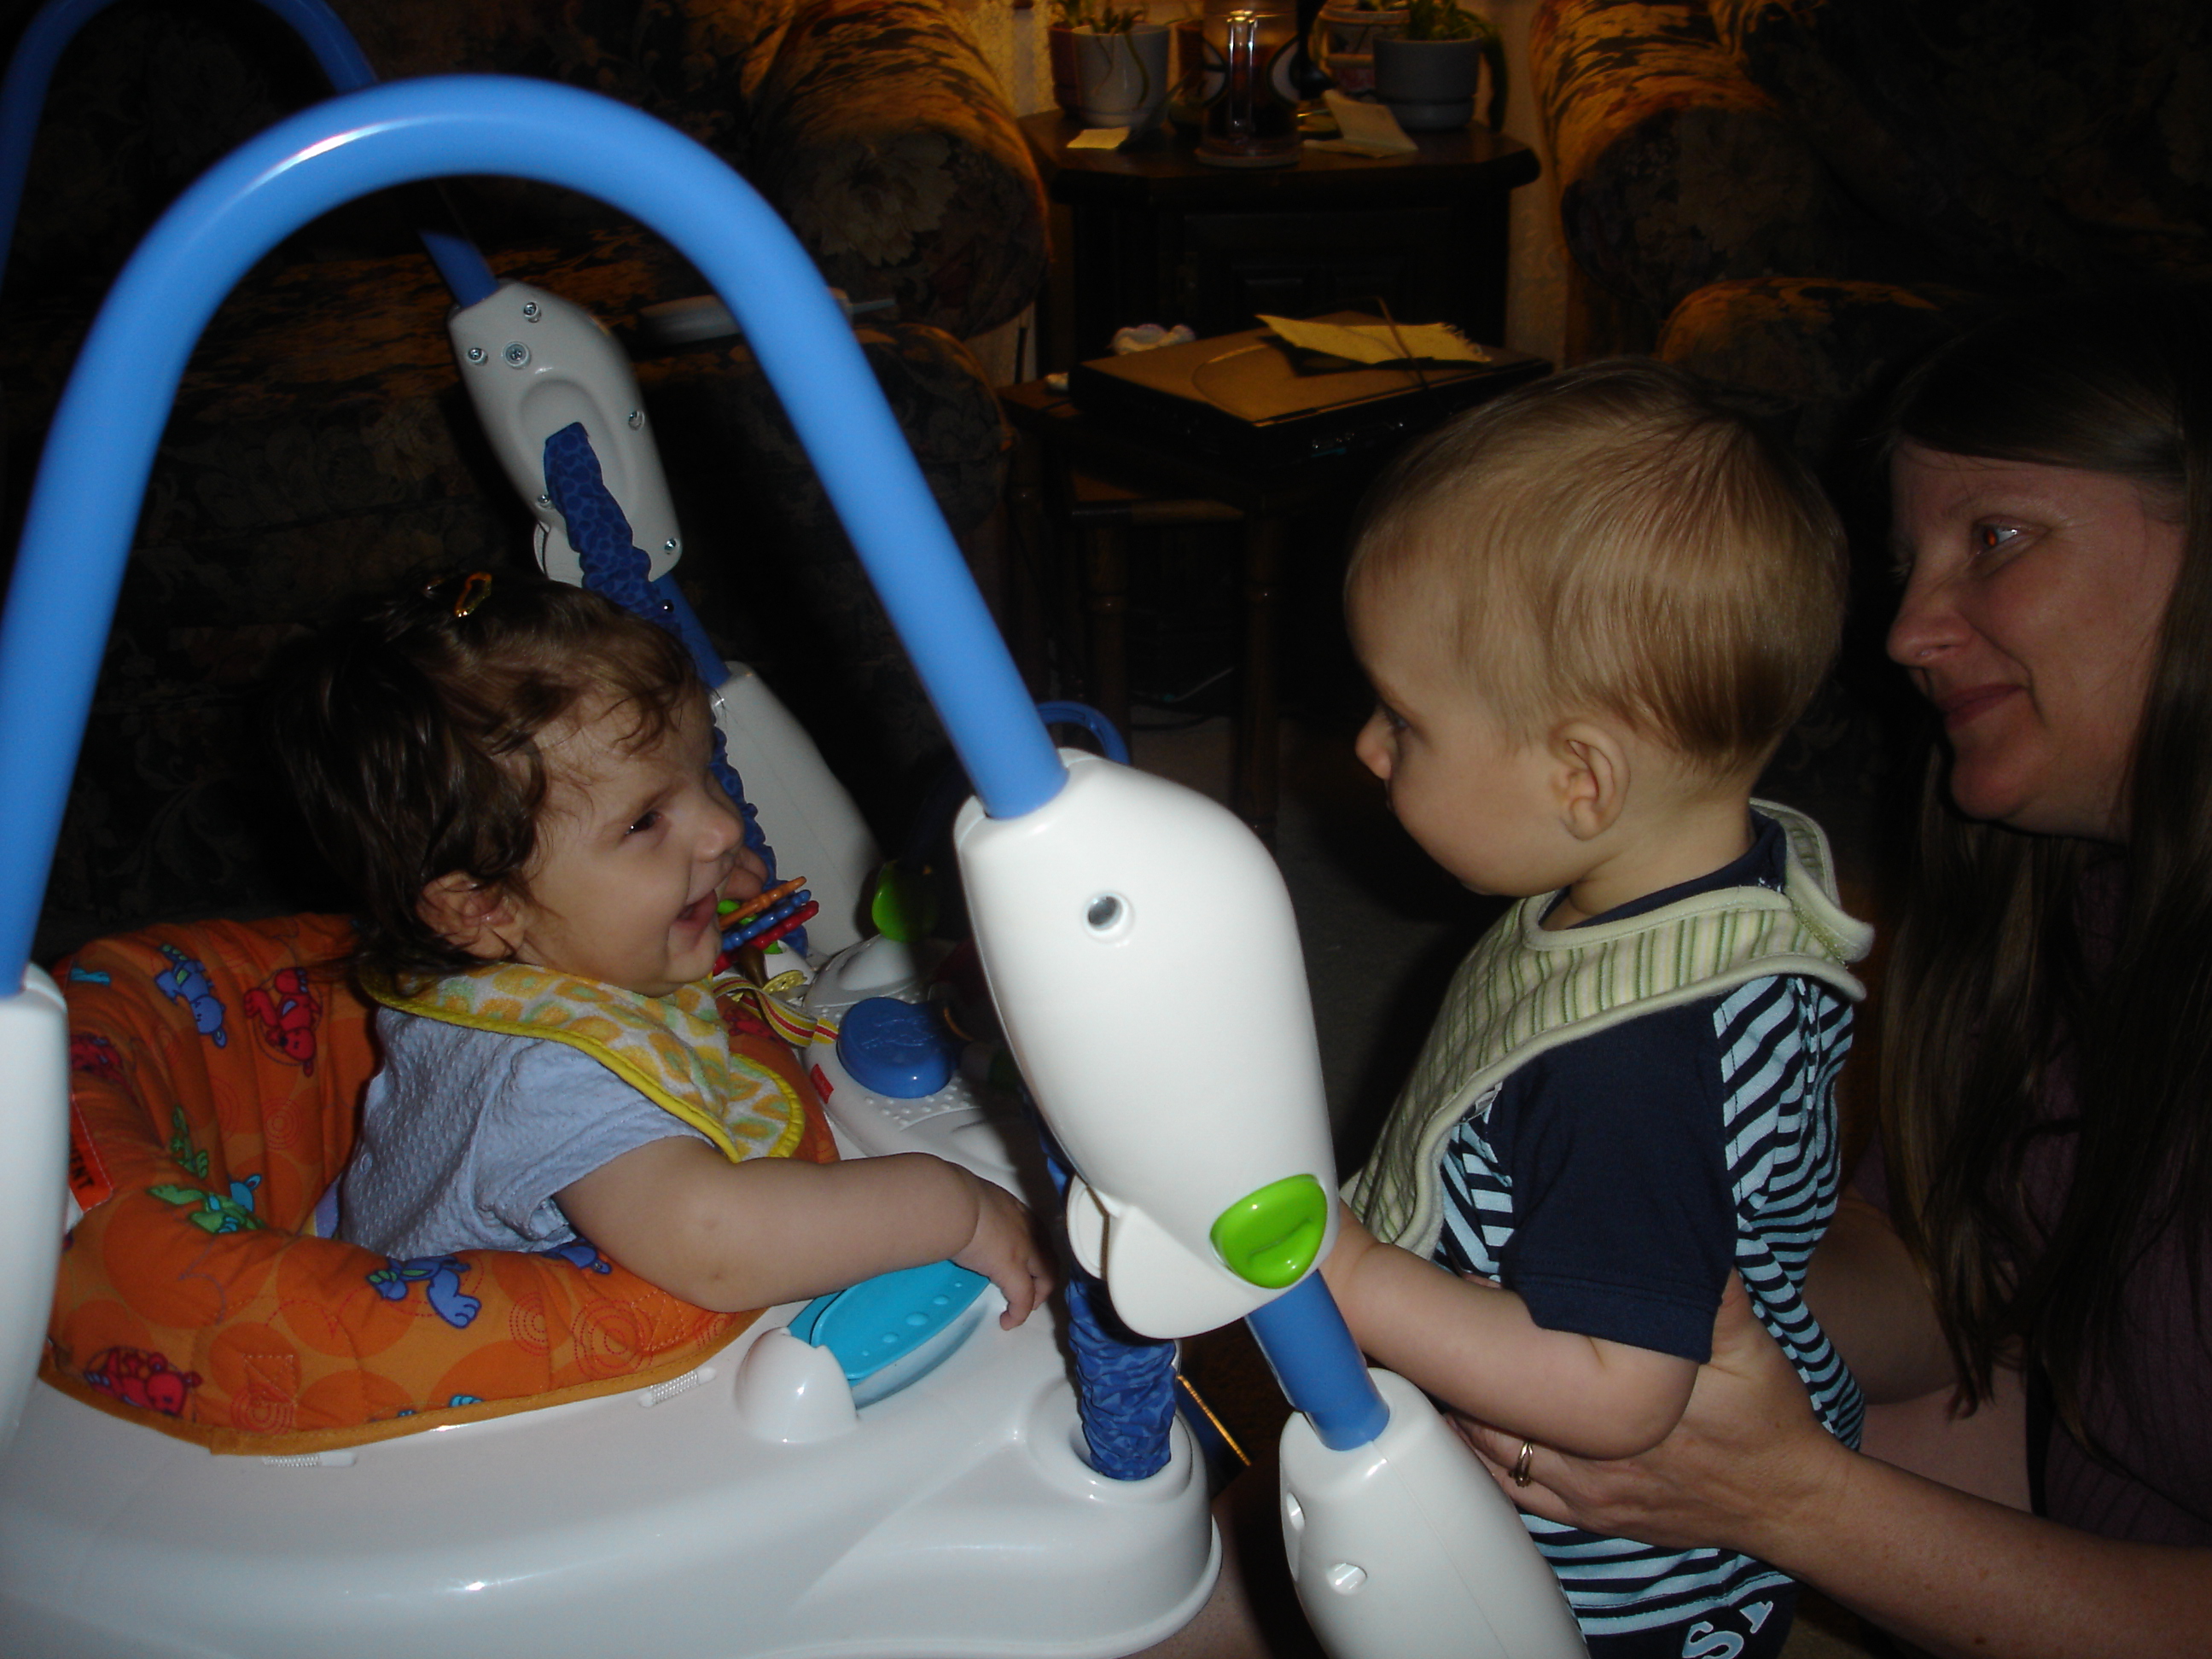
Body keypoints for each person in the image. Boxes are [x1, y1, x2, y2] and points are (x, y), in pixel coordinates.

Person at [1452, 297, 2212, 1658]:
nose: (1909, 632)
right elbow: (1957, 1272)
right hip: (2093, 1484)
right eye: (1910, 563)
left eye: (1997, 539)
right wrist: (1559, 1297)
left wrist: (1787, 1498)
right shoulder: (2056, 898)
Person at [1319, 361, 1871, 1657]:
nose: (1366, 748)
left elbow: (1616, 1393)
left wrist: (1352, 1275)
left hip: (1613, 1584)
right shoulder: (1715, 888)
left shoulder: (1626, 1059)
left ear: (1582, 777)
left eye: (1405, 720)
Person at [271, 570, 1052, 1324]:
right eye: (645, 822)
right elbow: (714, 1243)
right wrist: (954, 1206)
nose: (722, 827)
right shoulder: (551, 1075)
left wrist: (691, 889)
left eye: (702, 775)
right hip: (489, 1378)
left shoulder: (499, 963)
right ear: (480, 904)